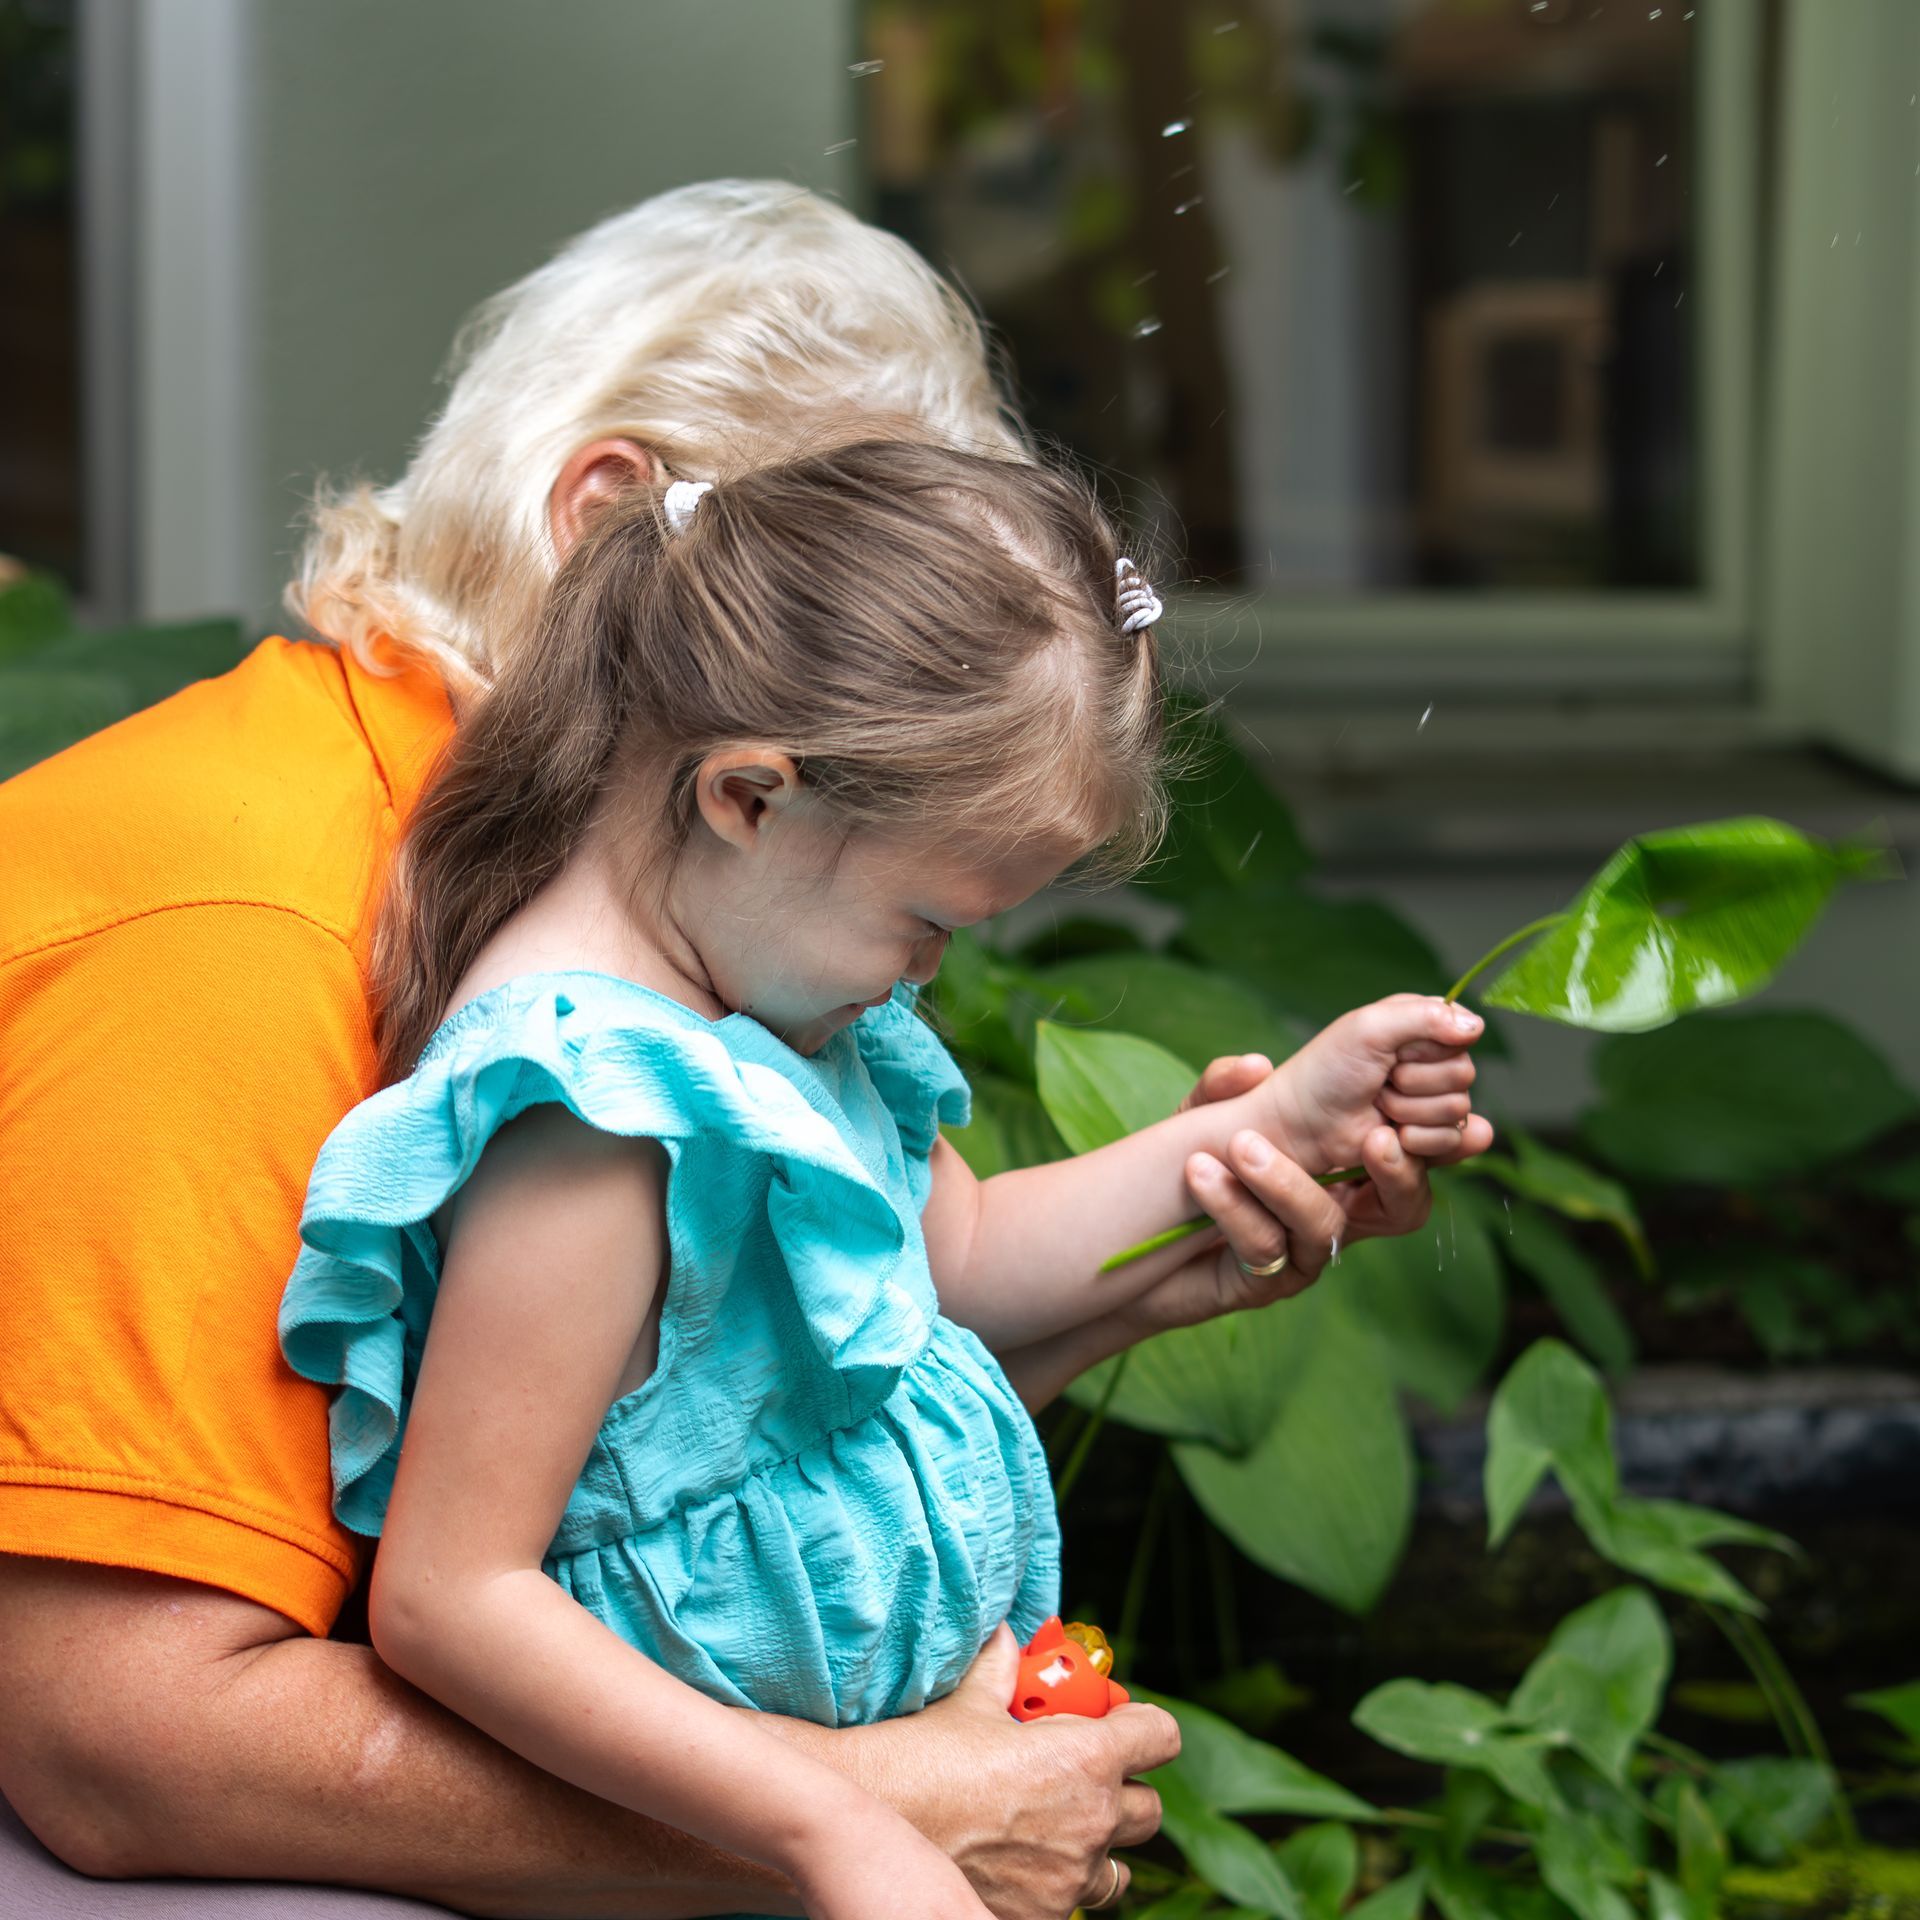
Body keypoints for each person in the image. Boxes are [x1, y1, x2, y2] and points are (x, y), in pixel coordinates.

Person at [0, 181, 1486, 1917]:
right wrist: (853, 1808)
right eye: (864, 586)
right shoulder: (251, 935)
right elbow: (118, 1746)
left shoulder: (716, 914)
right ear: (609, 519)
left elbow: (736, 1432)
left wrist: (1160, 1263)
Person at [275, 441, 1488, 1920]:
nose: (931, 970)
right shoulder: (594, 1123)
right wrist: (836, 1825)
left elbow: (961, 1256)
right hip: (697, 1861)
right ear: (747, 798)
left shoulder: (765, 1007)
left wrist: (1272, 1129)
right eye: (925, 918)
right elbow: (455, 1599)